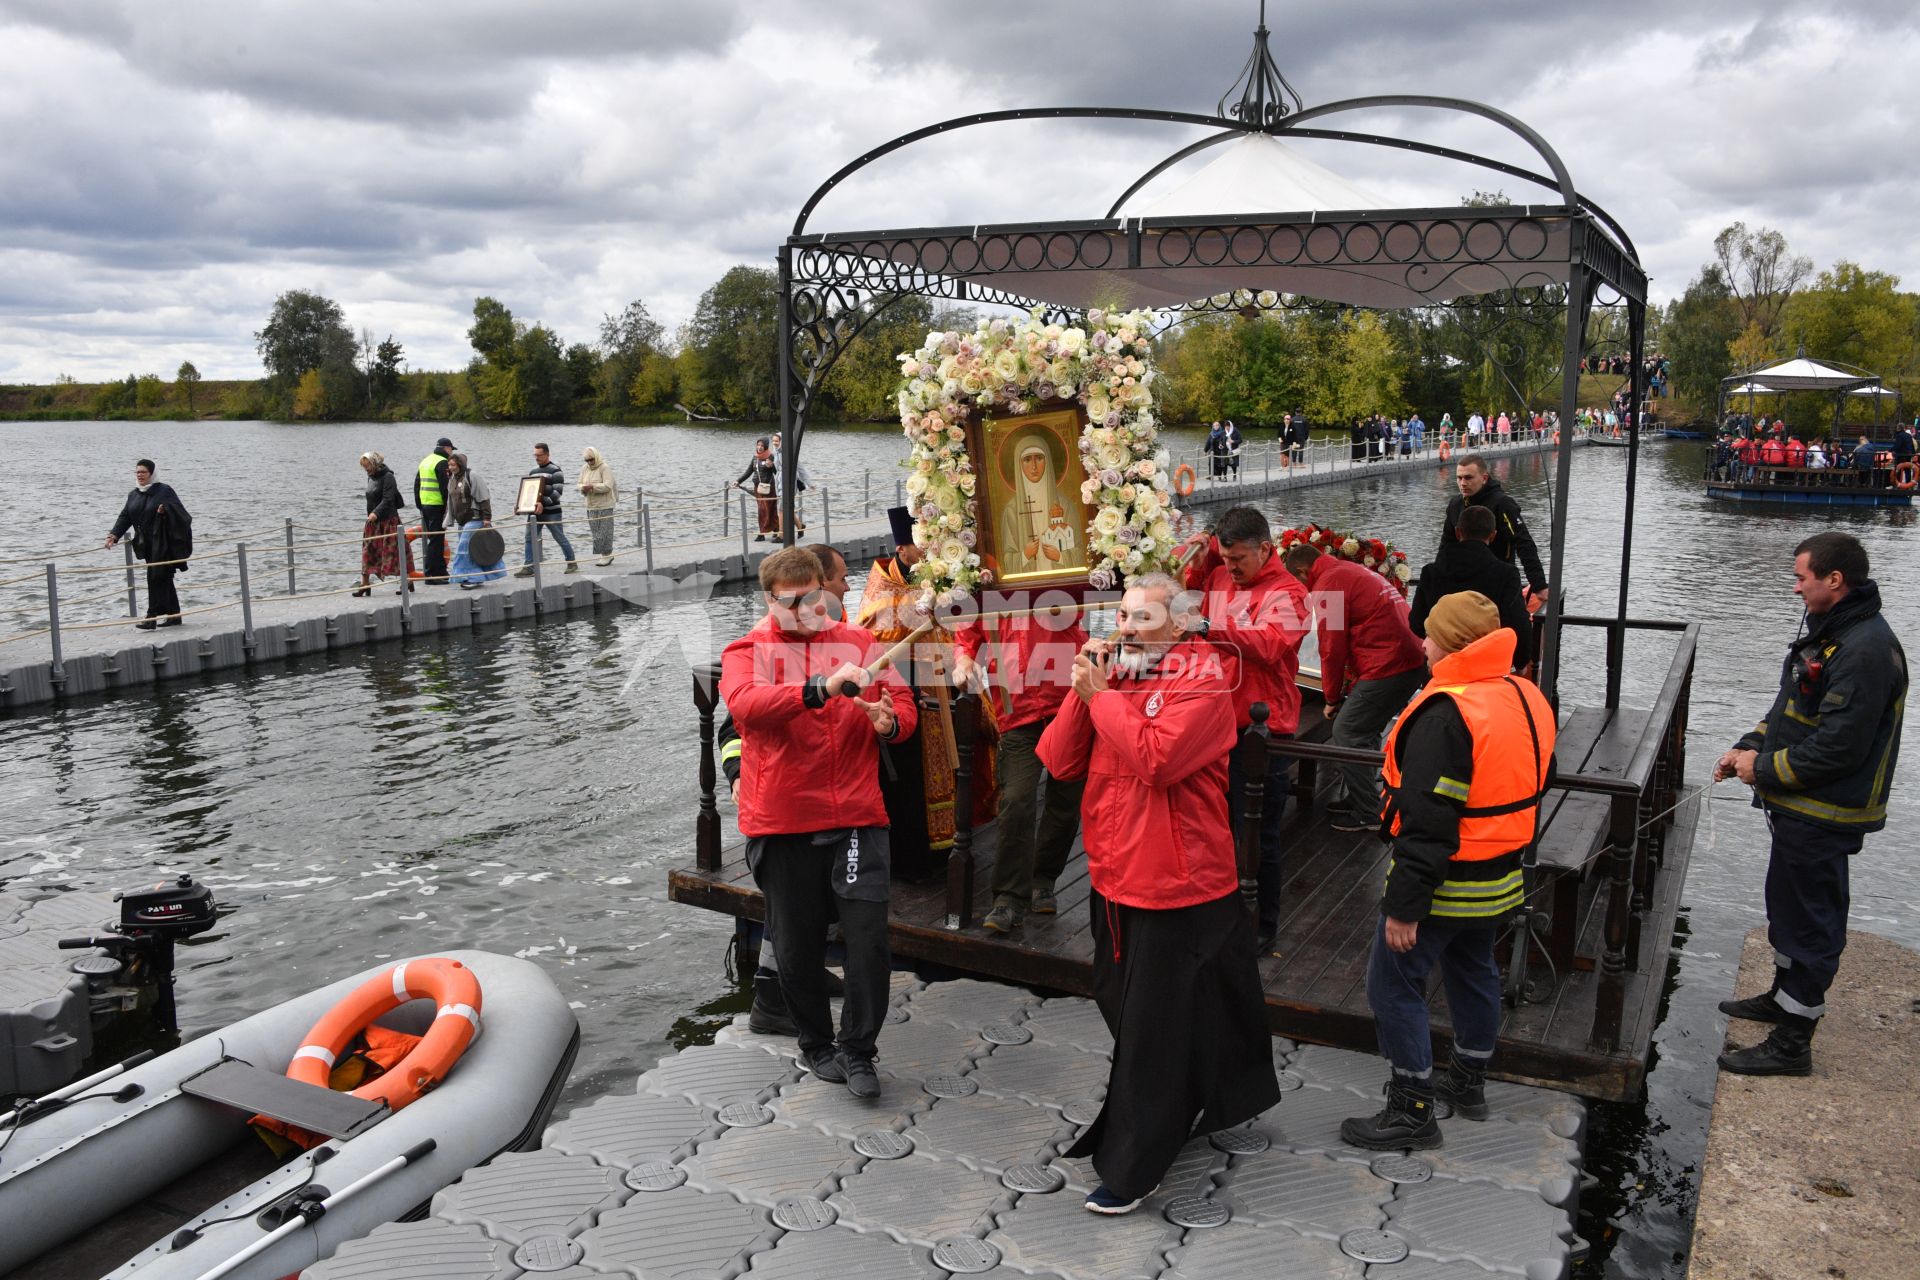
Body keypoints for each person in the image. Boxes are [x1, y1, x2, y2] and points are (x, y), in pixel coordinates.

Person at [1037, 574, 1279, 1212]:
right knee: (1120, 999)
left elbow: (1158, 761)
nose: (1125, 627)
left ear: (1179, 625)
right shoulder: (1116, 676)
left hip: (1178, 879)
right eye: (1122, 614)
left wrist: (1101, 699)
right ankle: (1211, 1093)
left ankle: (1134, 1163)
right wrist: (1082, 690)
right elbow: (1058, 761)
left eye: (1142, 618)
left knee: (1151, 1029)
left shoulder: (1204, 678)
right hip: (1116, 871)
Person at [1339, 591, 1556, 1150]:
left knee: (1392, 982)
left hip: (1446, 880)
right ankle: (1468, 1080)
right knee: (1473, 968)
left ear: (1454, 642)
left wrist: (1404, 907)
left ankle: (1412, 1107)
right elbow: (1538, 773)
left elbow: (1428, 820)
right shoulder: (1524, 693)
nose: (1423, 643)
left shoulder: (1446, 712)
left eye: (1431, 634)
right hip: (1504, 873)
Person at [720, 546, 918, 1098]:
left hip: (856, 812)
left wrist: (889, 722)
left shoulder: (860, 641)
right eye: (794, 602)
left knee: (868, 938)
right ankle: (815, 1044)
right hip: (783, 818)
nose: (808, 610)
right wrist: (821, 688)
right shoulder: (746, 650)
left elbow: (903, 706)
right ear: (769, 600)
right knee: (797, 944)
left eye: (816, 597)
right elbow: (746, 707)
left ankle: (859, 1049)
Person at [1713, 532, 1905, 1075]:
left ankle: (1794, 1041)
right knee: (1788, 907)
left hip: (1827, 810)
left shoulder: (1865, 650)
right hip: (1800, 808)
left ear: (1834, 581)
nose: (1795, 588)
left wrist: (1763, 769)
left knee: (1813, 920)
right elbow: (1790, 710)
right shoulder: (1831, 637)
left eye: (1802, 578)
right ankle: (1782, 997)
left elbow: (1840, 747)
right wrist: (1748, 746)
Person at [718, 544, 853, 1037]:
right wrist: (736, 777)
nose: (845, 588)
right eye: (838, 579)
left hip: (826, 794)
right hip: (780, 799)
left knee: (812, 908)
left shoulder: (840, 635)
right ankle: (774, 996)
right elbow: (735, 721)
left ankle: (799, 980)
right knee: (791, 907)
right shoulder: (756, 648)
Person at [1180, 507, 1311, 953]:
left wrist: (1206, 625)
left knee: (1257, 835)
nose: (1231, 568)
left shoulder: (1291, 593)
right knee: (1212, 829)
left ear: (1266, 550)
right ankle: (1217, 912)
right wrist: (1199, 554)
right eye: (1226, 558)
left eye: (1238, 560)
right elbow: (1188, 589)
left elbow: (1270, 645)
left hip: (1263, 730)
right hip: (1213, 725)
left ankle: (1260, 924)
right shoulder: (1219, 576)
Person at [855, 507, 995, 879]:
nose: (929, 554)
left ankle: (951, 850)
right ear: (903, 550)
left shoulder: (936, 581)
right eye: (922, 548)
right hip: (907, 698)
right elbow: (877, 639)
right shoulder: (882, 587)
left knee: (956, 768)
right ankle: (914, 862)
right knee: (911, 786)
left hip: (945, 689)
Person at [953, 588, 1087, 933]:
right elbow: (966, 634)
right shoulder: (984, 582)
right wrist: (964, 660)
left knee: (1065, 802)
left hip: (1069, 703)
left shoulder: (1062, 577)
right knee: (1016, 800)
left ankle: (1044, 879)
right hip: (1017, 709)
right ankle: (1009, 898)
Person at [1282, 543, 1427, 831]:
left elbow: (1331, 647)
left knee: (1346, 731)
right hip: (1409, 657)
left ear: (1302, 571)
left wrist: (1332, 697)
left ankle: (1371, 813)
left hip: (1387, 664)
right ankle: (1363, 797)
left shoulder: (1329, 585)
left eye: (1297, 583)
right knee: (1366, 729)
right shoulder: (1347, 569)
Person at [1413, 505, 1535, 667]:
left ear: (1457, 532)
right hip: (1484, 665)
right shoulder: (1505, 574)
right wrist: (1521, 662)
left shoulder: (1431, 572)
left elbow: (1416, 622)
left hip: (1440, 662)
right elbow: (1518, 623)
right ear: (1493, 536)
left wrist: (1441, 642)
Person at [1441, 456, 1548, 604]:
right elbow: (1446, 545)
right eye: (1459, 478)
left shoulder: (1503, 504)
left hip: (1499, 583)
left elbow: (1524, 543)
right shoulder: (1455, 504)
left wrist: (1539, 585)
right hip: (1463, 584)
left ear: (1484, 478)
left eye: (1468, 478)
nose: (1463, 483)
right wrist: (1438, 576)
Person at [105, 458, 191, 629]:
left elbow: (180, 514)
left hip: (164, 543)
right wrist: (113, 535)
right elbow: (126, 516)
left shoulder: (164, 491)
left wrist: (164, 512)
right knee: (163, 577)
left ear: (152, 473)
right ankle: (174, 615)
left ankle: (151, 617)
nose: (140, 475)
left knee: (156, 577)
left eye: (143, 472)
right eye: (137, 472)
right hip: (148, 545)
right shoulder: (134, 494)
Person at [997, 437, 1079, 576]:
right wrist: (1025, 555)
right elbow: (1006, 562)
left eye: (1039, 458)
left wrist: (1059, 557)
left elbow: (1080, 552)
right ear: (1019, 465)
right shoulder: (1011, 510)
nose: (1034, 466)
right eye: (1027, 460)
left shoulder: (1066, 506)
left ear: (1047, 461)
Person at [513, 443, 578, 576]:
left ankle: (572, 562)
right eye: (535, 455)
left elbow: (557, 493)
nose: (536, 457)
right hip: (534, 513)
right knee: (529, 538)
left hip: (552, 512)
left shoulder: (556, 471)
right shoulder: (532, 472)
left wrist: (543, 503)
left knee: (559, 537)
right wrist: (520, 506)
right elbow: (529, 494)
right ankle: (529, 567)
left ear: (547, 454)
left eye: (539, 455)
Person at [445, 452, 506, 588]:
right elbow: (451, 501)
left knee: (464, 549)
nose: (451, 467)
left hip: (475, 518)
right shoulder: (452, 479)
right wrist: (448, 520)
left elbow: (484, 497)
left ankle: (472, 578)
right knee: (471, 550)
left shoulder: (472, 476)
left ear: (460, 464)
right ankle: (474, 576)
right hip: (462, 520)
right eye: (449, 465)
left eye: (453, 465)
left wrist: (487, 518)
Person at [354, 451, 409, 597]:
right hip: (372, 522)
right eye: (364, 466)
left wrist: (375, 513)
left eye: (368, 465)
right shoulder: (370, 478)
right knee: (368, 552)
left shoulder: (388, 477)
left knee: (396, 554)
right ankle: (365, 584)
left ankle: (407, 581)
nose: (366, 469)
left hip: (388, 521)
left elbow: (388, 499)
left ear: (375, 463)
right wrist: (371, 515)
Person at [414, 436, 454, 585]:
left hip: (426, 505)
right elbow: (446, 488)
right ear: (446, 448)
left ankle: (441, 571)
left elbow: (417, 485)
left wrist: (419, 505)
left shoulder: (426, 460)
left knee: (435, 539)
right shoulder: (442, 462)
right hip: (437, 505)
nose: (451, 453)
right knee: (436, 541)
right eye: (451, 449)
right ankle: (431, 575)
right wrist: (448, 508)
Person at [577, 446, 619, 566]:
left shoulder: (604, 467)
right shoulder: (584, 468)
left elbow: (608, 485)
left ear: (596, 456)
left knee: (605, 531)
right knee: (595, 532)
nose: (589, 462)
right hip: (590, 505)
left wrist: (593, 487)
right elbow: (579, 483)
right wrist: (583, 487)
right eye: (587, 460)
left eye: (591, 459)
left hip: (605, 505)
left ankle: (607, 554)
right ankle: (604, 554)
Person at [737, 438, 780, 540]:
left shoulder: (771, 456)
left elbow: (777, 472)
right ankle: (774, 529)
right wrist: (738, 481)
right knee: (762, 510)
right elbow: (748, 471)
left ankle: (764, 533)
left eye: (761, 445)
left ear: (765, 446)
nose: (759, 447)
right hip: (758, 488)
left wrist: (772, 466)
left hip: (768, 488)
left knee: (769, 509)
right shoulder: (755, 457)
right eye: (758, 445)